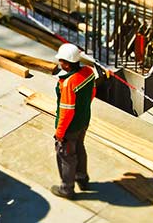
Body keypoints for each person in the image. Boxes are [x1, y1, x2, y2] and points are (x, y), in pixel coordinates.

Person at [51, 43, 97, 200]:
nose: (59, 63)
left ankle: (67, 189)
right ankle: (82, 179)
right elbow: (92, 92)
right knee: (80, 148)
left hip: (70, 127)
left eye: (61, 61)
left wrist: (60, 132)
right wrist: (83, 111)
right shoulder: (88, 72)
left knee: (66, 156)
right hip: (83, 121)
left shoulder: (69, 82)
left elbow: (66, 111)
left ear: (67, 63)